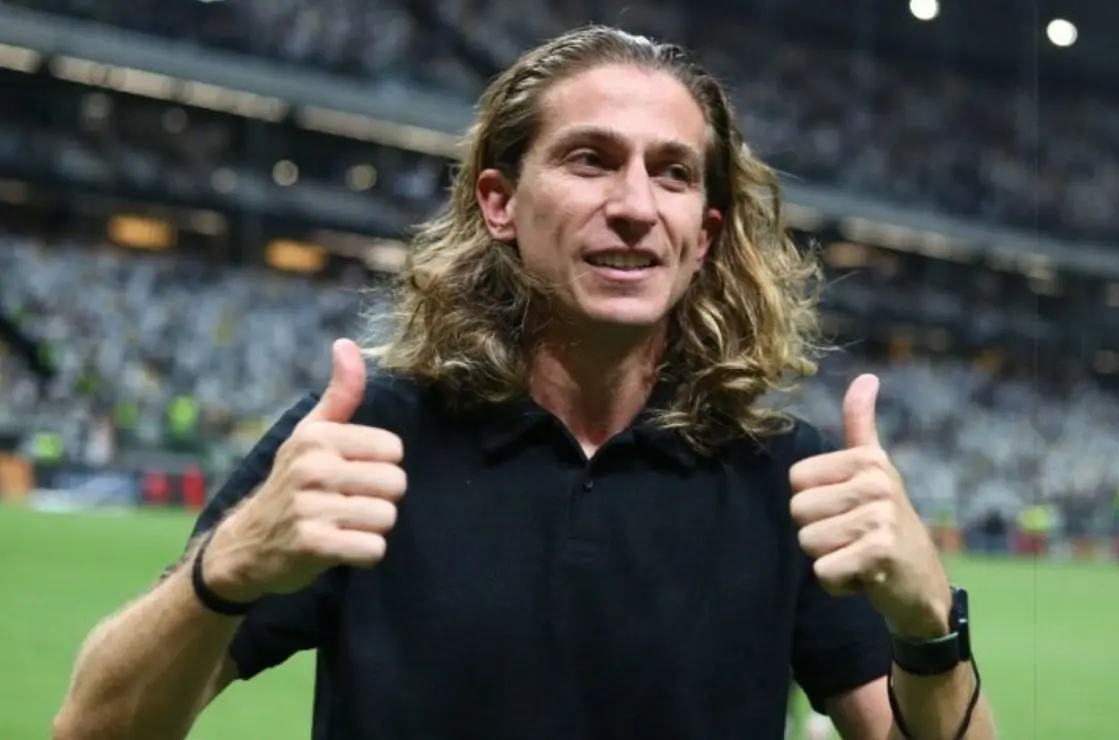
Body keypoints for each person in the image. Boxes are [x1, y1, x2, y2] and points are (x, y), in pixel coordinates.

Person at [53, 25, 997, 740]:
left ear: (703, 238)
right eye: (591, 160)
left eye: (673, 174)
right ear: (498, 203)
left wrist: (927, 627)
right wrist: (228, 567)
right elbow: (92, 729)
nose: (635, 206)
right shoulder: (366, 438)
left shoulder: (784, 475)